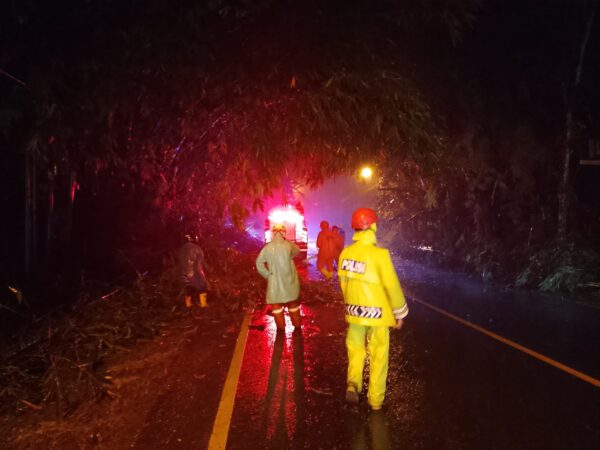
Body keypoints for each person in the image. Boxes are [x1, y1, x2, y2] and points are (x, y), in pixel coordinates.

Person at [338, 208, 408, 411]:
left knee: (355, 349)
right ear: (374, 226)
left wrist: (351, 306)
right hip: (377, 314)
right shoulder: (380, 255)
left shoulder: (346, 253)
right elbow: (392, 286)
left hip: (354, 313)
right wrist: (399, 313)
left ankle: (353, 383)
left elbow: (344, 285)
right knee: (379, 353)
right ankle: (375, 400)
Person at [256, 224, 302, 332]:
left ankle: (281, 329)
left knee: (276, 306)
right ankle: (297, 326)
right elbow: (297, 251)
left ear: (273, 233)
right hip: (289, 282)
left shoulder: (267, 248)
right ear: (283, 232)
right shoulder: (288, 246)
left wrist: (267, 274)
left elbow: (259, 263)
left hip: (274, 283)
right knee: (292, 304)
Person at [177, 234, 209, 309]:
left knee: (189, 286)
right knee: (203, 286)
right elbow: (199, 260)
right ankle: (203, 304)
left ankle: (188, 304)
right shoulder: (195, 248)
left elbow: (180, 261)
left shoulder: (182, 249)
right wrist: (200, 273)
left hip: (184, 272)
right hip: (194, 272)